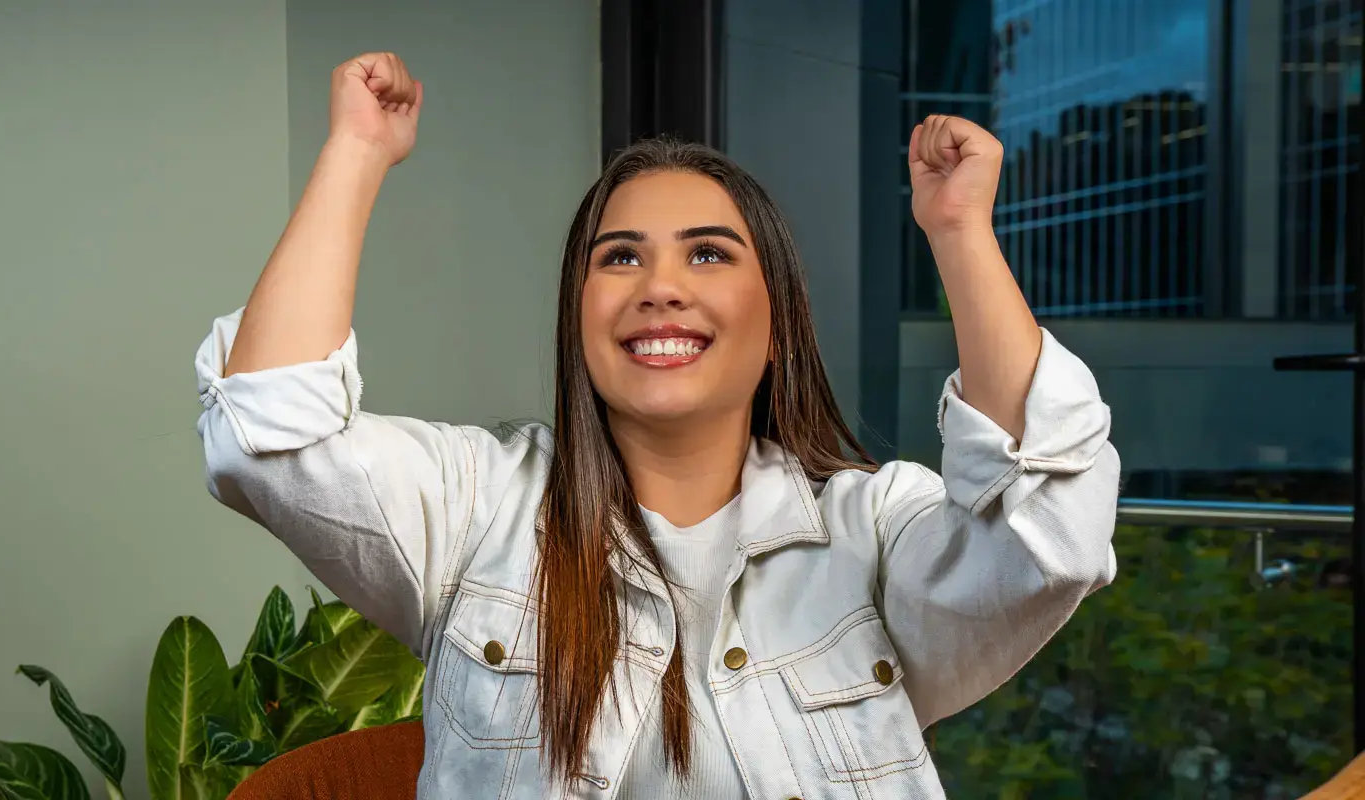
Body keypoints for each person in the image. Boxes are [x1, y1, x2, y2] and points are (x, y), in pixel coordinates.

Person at [195, 52, 1120, 799]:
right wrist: (356, 154)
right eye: (620, 257)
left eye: (709, 254)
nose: (660, 286)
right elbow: (272, 440)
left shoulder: (874, 531)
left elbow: (1046, 536)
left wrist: (960, 233)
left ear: (776, 322)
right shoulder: (474, 507)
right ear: (580, 317)